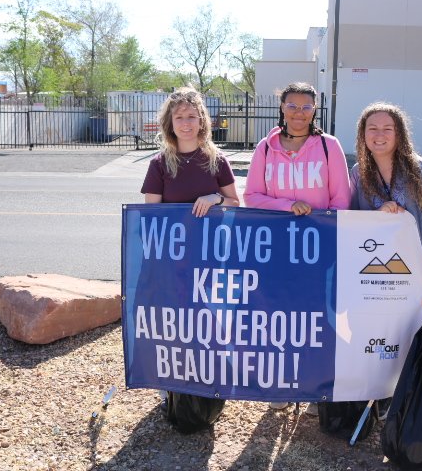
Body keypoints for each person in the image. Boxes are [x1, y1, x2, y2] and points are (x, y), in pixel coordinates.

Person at [244, 82, 351, 415]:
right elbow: (252, 196)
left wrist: (328, 234)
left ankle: (316, 383)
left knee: (318, 317)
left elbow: (341, 198)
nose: (299, 113)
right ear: (282, 107)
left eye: (306, 107)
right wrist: (289, 205)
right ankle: (283, 385)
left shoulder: (328, 145)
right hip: (277, 248)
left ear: (315, 109)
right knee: (281, 317)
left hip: (317, 248)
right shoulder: (265, 147)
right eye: (292, 106)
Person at [141, 86, 240, 432]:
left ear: (202, 121)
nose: (186, 122)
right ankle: (175, 389)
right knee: (175, 326)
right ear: (170, 122)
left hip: (210, 261)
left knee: (208, 324)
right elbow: (149, 215)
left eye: (192, 116)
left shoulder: (216, 160)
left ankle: (207, 388)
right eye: (179, 117)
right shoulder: (159, 163)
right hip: (172, 264)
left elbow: (235, 203)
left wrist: (215, 196)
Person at [349, 101, 422, 421]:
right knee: (378, 334)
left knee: (408, 336)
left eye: (387, 128)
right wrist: (377, 216)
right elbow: (351, 224)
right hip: (375, 275)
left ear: (399, 133)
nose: (379, 135)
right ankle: (378, 395)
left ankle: (407, 400)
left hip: (416, 275)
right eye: (372, 128)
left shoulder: (419, 169)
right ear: (363, 135)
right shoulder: (358, 173)